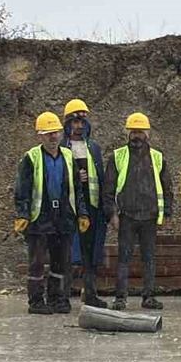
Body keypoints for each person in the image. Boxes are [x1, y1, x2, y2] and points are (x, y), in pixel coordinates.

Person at [13, 111, 89, 314]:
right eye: (48, 134)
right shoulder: (31, 158)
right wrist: (23, 214)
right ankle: (36, 301)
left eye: (55, 133)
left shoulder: (67, 156)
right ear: (40, 136)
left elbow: (77, 189)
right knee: (37, 262)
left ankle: (58, 298)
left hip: (63, 217)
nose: (53, 137)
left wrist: (82, 213)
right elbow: (22, 189)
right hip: (40, 217)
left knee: (61, 261)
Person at [103, 112, 172, 311]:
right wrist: (112, 214)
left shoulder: (158, 158)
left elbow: (167, 188)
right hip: (127, 216)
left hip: (149, 216)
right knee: (123, 258)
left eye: (140, 132)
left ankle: (148, 296)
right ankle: (120, 298)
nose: (136, 136)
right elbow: (108, 188)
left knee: (149, 258)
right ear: (128, 133)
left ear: (147, 134)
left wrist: (166, 212)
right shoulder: (118, 156)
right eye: (133, 132)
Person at [61, 99, 108, 308]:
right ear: (68, 123)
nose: (79, 125)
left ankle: (90, 293)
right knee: (67, 253)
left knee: (90, 253)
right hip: (69, 208)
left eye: (82, 121)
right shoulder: (61, 148)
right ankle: (62, 295)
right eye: (75, 121)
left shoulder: (93, 148)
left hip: (92, 206)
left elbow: (100, 176)